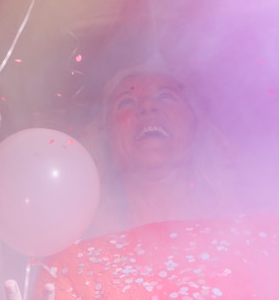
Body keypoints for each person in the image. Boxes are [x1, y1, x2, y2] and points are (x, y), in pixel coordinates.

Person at [32, 63, 279, 299]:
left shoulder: (264, 238)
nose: (147, 106)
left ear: (195, 125)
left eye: (166, 97)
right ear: (107, 141)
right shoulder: (70, 264)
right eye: (125, 102)